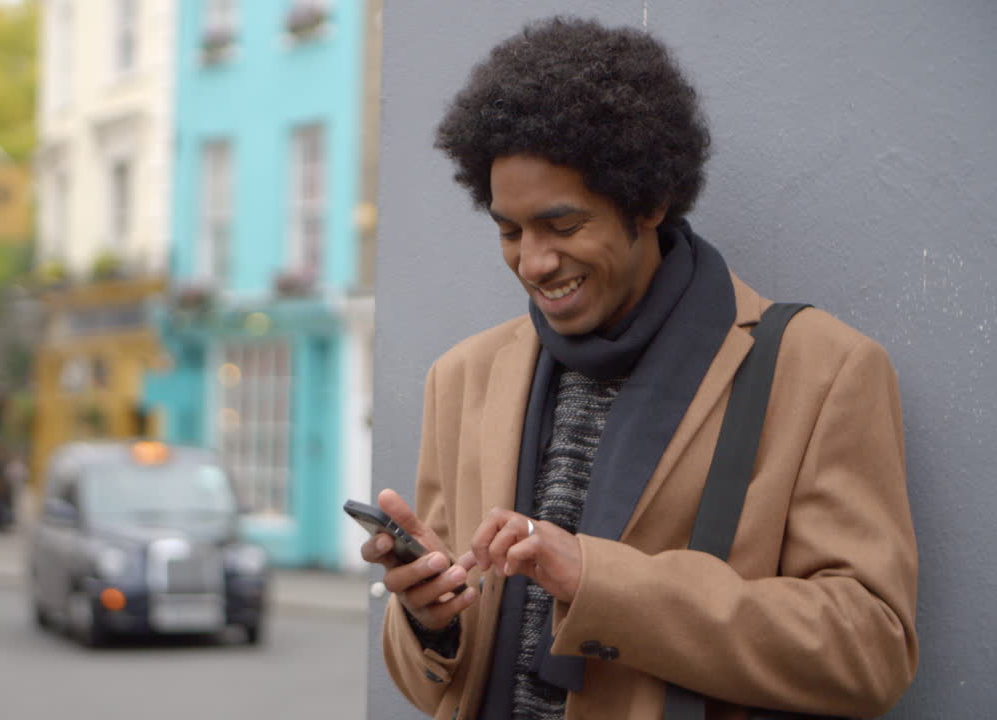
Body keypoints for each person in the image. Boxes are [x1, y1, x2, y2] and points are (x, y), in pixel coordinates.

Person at [362, 17, 918, 720]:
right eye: (509, 231)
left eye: (562, 226)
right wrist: (426, 618)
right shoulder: (463, 378)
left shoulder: (824, 370)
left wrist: (597, 580)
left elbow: (871, 650)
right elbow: (434, 685)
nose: (532, 262)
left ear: (649, 201)